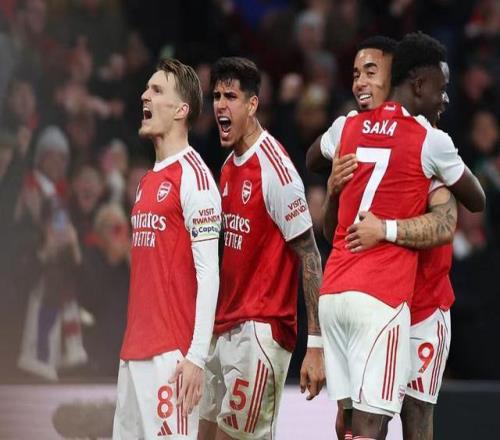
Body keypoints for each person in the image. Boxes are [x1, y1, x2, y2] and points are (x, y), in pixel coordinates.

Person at [316, 32, 485, 440]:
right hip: (383, 297)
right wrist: (335, 188)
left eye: (370, 72)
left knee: (410, 414)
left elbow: (446, 225)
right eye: (441, 88)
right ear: (417, 83)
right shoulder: (412, 141)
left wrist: (383, 227)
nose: (446, 98)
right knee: (362, 419)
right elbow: (332, 229)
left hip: (422, 305)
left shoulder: (418, 144)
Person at [198, 57, 325, 440]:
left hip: (260, 330)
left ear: (252, 104)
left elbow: (310, 255)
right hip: (223, 328)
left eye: (231, 97)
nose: (220, 105)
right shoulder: (228, 166)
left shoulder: (276, 170)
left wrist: (315, 345)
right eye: (216, 96)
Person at [113, 59, 222, 440]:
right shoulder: (146, 182)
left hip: (172, 357)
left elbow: (210, 274)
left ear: (181, 110)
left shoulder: (196, 177)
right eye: (147, 88)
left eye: (157, 90)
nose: (145, 96)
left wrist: (196, 357)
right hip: (132, 353)